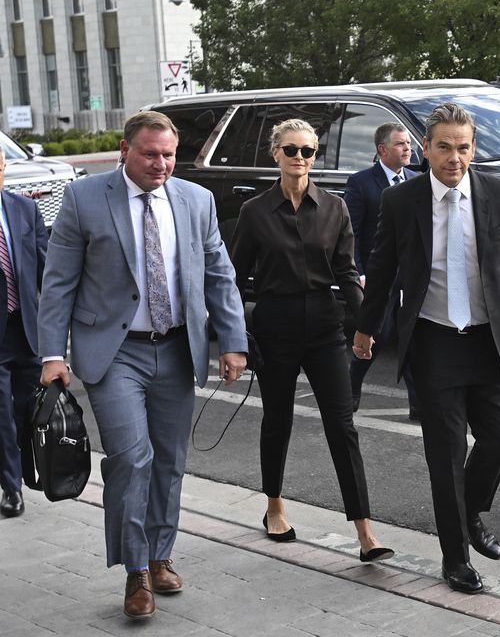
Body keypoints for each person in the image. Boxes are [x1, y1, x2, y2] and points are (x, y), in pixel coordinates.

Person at [38, 111, 249, 619]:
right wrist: (51, 355)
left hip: (177, 348)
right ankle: (135, 572)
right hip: (114, 352)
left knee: (169, 461)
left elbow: (219, 273)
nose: (161, 164)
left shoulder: (196, 201)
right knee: (132, 459)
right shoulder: (85, 199)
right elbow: (59, 280)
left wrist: (233, 341)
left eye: (169, 154)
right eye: (151, 153)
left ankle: (159, 554)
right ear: (124, 150)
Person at [353, 103, 500, 594]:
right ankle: (455, 558)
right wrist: (365, 329)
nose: (454, 157)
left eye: (462, 147)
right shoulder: (401, 202)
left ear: (473, 149)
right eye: (443, 147)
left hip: (489, 339)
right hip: (433, 340)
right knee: (444, 457)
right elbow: (381, 271)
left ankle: (469, 513)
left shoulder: (499, 195)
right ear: (426, 149)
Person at [229, 119, 394, 563]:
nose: (299, 158)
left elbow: (346, 271)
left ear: (315, 155)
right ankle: (274, 507)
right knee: (277, 420)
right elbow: (233, 277)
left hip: (324, 324)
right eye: (291, 150)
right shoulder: (255, 212)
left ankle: (365, 531)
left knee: (342, 426)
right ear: (275, 155)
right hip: (275, 323)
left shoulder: (335, 208)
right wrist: (236, 335)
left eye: (308, 150)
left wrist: (364, 325)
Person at [345, 122, 419, 419]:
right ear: (382, 149)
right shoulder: (362, 183)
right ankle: (352, 386)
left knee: (413, 337)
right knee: (380, 333)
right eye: (401, 144)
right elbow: (351, 233)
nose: (408, 149)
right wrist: (359, 273)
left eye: (409, 144)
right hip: (378, 274)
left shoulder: (417, 180)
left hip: (412, 275)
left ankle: (418, 405)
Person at [0, 151, 48, 519]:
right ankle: (11, 487)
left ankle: (23, 473)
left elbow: (49, 267)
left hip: (25, 328)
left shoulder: (23, 209)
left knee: (25, 409)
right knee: (2, 413)